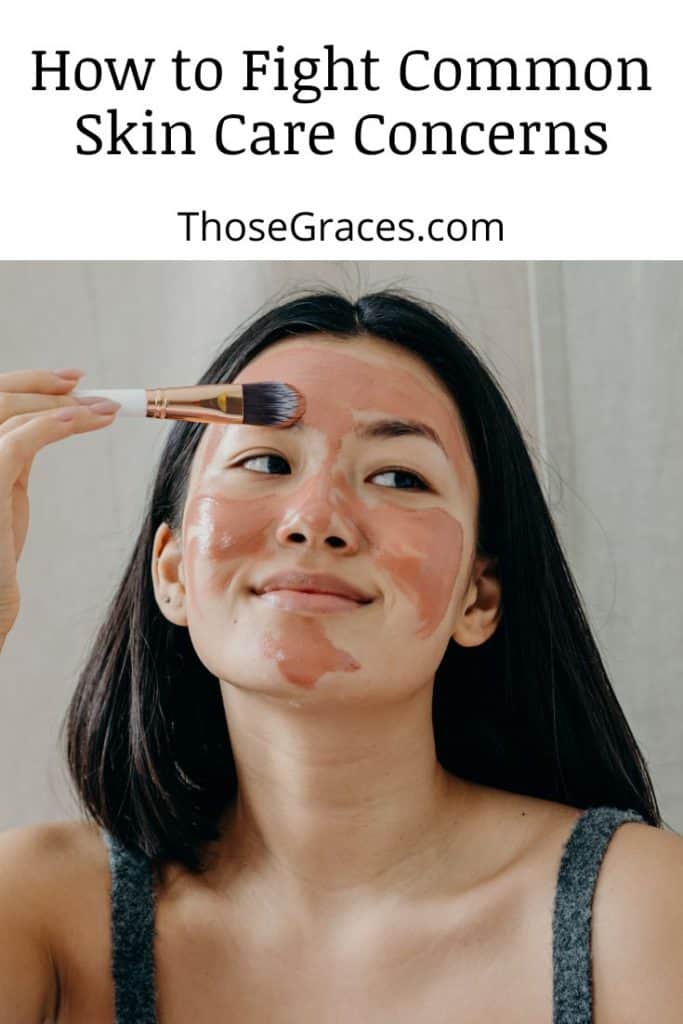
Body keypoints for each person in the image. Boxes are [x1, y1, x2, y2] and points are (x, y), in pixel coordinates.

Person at [0, 289, 681, 1023]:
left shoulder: (639, 912)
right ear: (171, 573)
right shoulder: (40, 911)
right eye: (265, 461)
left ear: (477, 598)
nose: (314, 520)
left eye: (397, 477)